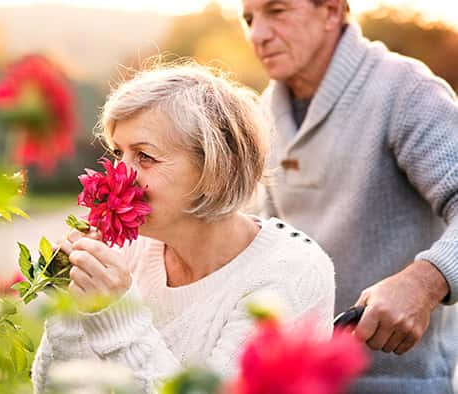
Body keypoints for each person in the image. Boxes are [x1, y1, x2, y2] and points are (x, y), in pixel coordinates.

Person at [30, 64, 335, 392]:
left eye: (145, 157)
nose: (118, 175)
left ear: (214, 173)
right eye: (118, 153)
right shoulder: (127, 252)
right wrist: (71, 310)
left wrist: (118, 318)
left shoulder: (290, 274)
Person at [240, 0, 458, 392]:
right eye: (249, 19)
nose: (258, 34)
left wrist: (424, 282)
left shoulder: (405, 91)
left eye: (277, 11)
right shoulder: (261, 114)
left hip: (401, 383)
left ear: (332, 12)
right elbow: (259, 244)